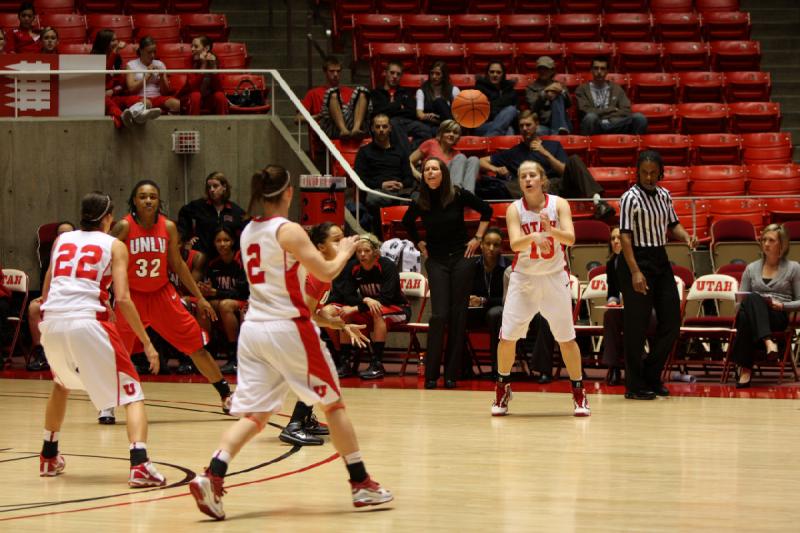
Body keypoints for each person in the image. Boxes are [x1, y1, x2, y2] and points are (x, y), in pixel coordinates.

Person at [189, 165, 393, 520]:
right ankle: (361, 485)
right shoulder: (288, 229)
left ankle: (213, 474)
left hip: (253, 331)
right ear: (287, 193)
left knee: (258, 413)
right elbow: (326, 271)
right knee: (334, 404)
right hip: (286, 327)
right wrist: (345, 249)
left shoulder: (248, 231)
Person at [37, 192, 166, 487]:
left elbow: (48, 284)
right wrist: (147, 342)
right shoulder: (115, 245)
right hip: (89, 321)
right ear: (108, 218)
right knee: (132, 394)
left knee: (61, 383)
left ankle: (48, 456)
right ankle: (140, 465)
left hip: (52, 320)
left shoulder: (61, 240)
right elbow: (122, 298)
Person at [107, 180, 232, 423]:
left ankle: (226, 394)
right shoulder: (123, 226)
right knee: (118, 352)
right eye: (142, 196)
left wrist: (199, 297)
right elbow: (104, 258)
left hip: (162, 295)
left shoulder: (169, 227)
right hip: (131, 298)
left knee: (196, 345)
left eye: (153, 196)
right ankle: (108, 404)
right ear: (134, 200)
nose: (148, 200)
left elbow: (178, 264)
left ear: (159, 200)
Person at [491, 160, 590, 417]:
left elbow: (570, 238)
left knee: (566, 338)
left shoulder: (559, 204)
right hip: (523, 279)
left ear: (542, 179)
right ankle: (502, 389)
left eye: (532, 175)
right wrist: (534, 237)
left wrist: (550, 231)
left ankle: (579, 392)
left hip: (554, 277)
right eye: (523, 176)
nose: (527, 179)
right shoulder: (514, 209)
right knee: (507, 337)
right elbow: (514, 244)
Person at [402, 157, 492, 389]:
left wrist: (478, 238)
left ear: (443, 173)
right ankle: (431, 375)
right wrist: (419, 244)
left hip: (462, 258)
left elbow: (487, 210)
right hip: (437, 261)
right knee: (439, 315)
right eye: (426, 169)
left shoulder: (458, 194)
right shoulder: (420, 200)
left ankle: (451, 375)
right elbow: (407, 222)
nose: (430, 172)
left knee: (458, 314)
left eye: (435, 168)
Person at [280, 222, 370, 446]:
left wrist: (341, 325)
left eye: (344, 238)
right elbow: (307, 314)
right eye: (336, 240)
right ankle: (294, 425)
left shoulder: (325, 271)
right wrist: (331, 321)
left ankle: (306, 420)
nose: (344, 244)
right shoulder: (319, 274)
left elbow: (313, 311)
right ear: (320, 247)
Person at [617, 150, 695, 400]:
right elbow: (625, 237)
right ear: (637, 173)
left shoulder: (664, 195)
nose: (649, 177)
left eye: (653, 173)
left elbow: (673, 224)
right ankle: (634, 384)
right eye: (644, 173)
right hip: (636, 259)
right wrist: (635, 272)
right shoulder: (630, 198)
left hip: (660, 258)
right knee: (636, 326)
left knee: (672, 322)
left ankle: (651, 374)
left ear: (660, 173)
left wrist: (686, 236)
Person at [479, 111, 613, 219]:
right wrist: (496, 169)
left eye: (528, 125)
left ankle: (598, 202)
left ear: (536, 125)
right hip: (532, 191)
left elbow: (564, 171)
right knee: (516, 182)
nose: (525, 129)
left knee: (574, 160)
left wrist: (546, 154)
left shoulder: (552, 146)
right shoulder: (513, 152)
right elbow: (481, 161)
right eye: (522, 126)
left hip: (558, 187)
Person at [327, 234, 410, 380]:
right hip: (370, 309)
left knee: (377, 311)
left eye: (366, 251)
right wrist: (365, 300)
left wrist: (357, 308)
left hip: (398, 308)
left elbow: (387, 298)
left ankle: (377, 364)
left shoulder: (387, 266)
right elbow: (348, 295)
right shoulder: (353, 267)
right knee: (344, 314)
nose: (362, 254)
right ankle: (345, 362)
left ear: (376, 252)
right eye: (359, 251)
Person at [732, 224, 800, 388]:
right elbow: (739, 302)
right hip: (753, 314)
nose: (766, 244)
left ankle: (745, 369)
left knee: (748, 312)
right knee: (752, 301)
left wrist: (782, 305)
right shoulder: (751, 268)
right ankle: (768, 342)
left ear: (782, 245)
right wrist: (746, 304)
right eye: (764, 240)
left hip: (777, 315)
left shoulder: (794, 268)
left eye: (771, 240)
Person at [197, 226, 249, 375]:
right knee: (204, 306)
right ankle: (207, 351)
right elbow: (211, 290)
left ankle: (234, 357)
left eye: (226, 240)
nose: (222, 244)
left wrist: (217, 292)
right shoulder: (213, 264)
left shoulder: (242, 260)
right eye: (218, 241)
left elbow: (243, 292)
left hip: (245, 302)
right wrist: (205, 290)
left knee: (225, 305)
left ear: (233, 241)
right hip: (223, 301)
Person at [354, 113, 416, 234]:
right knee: (373, 198)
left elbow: (409, 177)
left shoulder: (400, 151)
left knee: (420, 198)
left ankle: (415, 239)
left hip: (400, 191)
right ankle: (381, 235)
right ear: (372, 128)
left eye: (384, 126)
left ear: (390, 128)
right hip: (378, 191)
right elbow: (359, 178)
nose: (381, 130)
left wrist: (402, 184)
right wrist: (381, 184)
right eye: (378, 127)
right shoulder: (364, 151)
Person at [27, 221, 76, 372]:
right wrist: (44, 297)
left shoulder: (82, 255)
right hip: (57, 296)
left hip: (77, 298)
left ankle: (75, 356)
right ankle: (43, 354)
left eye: (69, 234)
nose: (65, 237)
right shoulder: (51, 259)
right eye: (61, 234)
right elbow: (46, 283)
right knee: (34, 307)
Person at [466, 227, 509, 377]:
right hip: (476, 311)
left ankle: (497, 370)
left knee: (495, 314)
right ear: (481, 245)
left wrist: (483, 300)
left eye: (496, 245)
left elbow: (509, 300)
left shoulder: (508, 268)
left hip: (499, 310)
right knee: (456, 315)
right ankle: (463, 368)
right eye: (488, 244)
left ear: (501, 247)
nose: (491, 248)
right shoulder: (471, 266)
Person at [177, 171, 247, 259]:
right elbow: (183, 213)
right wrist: (188, 237)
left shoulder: (235, 210)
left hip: (226, 259)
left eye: (215, 186)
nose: (212, 190)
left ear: (224, 187)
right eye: (209, 187)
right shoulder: (199, 205)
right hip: (203, 257)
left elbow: (245, 228)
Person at [298, 55, 369, 140]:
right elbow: (298, 118)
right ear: (325, 72)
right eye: (332, 71)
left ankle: (356, 129)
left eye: (338, 71)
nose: (335, 74)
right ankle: (343, 130)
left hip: (351, 125)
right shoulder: (313, 93)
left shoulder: (351, 92)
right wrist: (318, 116)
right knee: (333, 94)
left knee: (362, 92)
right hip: (329, 127)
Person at [576, 56, 648, 136]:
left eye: (603, 69)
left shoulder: (616, 88)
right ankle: (588, 147)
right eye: (596, 68)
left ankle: (635, 145)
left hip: (616, 124)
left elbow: (626, 110)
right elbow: (585, 111)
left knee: (639, 118)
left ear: (607, 71)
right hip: (596, 125)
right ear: (591, 70)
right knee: (590, 117)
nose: (599, 72)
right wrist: (612, 109)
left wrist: (606, 116)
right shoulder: (582, 89)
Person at [370, 60, 431, 150]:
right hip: (388, 123)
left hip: (406, 122)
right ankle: (407, 157)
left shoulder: (405, 92)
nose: (395, 76)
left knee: (426, 130)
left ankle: (410, 153)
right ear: (385, 73)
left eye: (398, 74)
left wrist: (390, 108)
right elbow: (377, 112)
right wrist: (398, 106)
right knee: (394, 123)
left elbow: (412, 112)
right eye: (392, 73)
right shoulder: (376, 92)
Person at [409, 119, 480, 193]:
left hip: (449, 185)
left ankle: (468, 196)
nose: (451, 135)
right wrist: (418, 175)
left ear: (458, 137)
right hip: (433, 183)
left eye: (455, 133)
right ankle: (454, 194)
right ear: (441, 133)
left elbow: (470, 177)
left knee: (474, 159)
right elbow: (409, 161)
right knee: (461, 158)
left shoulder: (457, 154)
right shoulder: (431, 144)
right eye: (448, 131)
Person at [121, 35, 178, 125]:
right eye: (149, 52)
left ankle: (168, 128)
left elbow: (165, 92)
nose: (152, 55)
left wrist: (162, 77)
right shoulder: (131, 65)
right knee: (146, 103)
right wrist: (147, 76)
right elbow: (131, 89)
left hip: (157, 97)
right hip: (140, 98)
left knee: (176, 104)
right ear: (141, 51)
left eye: (154, 52)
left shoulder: (160, 64)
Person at [601, 227, 625, 385]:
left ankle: (633, 369)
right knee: (609, 315)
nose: (615, 241)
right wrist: (612, 300)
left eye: (619, 238)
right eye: (612, 238)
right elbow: (613, 291)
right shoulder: (611, 263)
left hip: (644, 310)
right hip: (623, 310)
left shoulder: (638, 260)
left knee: (632, 318)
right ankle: (614, 367)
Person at [525, 56, 571, 135]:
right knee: (537, 130)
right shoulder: (530, 88)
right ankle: (557, 133)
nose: (542, 71)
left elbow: (569, 104)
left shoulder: (560, 85)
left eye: (546, 69)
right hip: (543, 124)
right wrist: (544, 94)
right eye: (540, 69)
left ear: (552, 71)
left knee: (557, 95)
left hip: (564, 124)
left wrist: (562, 91)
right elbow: (533, 108)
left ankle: (559, 130)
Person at [91, 29, 127, 129]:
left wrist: (113, 91)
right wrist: (115, 52)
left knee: (132, 100)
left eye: (116, 40)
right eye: (112, 40)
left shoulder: (117, 58)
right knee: (109, 104)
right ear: (104, 42)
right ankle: (122, 117)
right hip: (98, 96)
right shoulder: (94, 58)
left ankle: (121, 120)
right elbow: (103, 74)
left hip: (113, 95)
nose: (116, 43)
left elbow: (122, 83)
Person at [184, 35, 228, 116]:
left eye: (196, 46)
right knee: (195, 95)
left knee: (220, 96)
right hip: (192, 99)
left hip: (209, 99)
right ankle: (193, 125)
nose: (192, 49)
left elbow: (219, 88)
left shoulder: (217, 60)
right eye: (192, 46)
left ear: (206, 48)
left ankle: (224, 124)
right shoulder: (189, 60)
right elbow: (193, 87)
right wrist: (203, 65)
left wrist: (214, 66)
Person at [474, 61, 519, 137]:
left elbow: (516, 112)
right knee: (510, 109)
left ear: (503, 74)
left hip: (506, 124)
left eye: (498, 72)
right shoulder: (479, 89)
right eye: (492, 72)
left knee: (510, 128)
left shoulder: (510, 90)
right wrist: (502, 108)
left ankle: (488, 140)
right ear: (487, 73)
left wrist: (495, 106)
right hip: (484, 125)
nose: (495, 75)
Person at [416, 60, 460, 137]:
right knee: (431, 131)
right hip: (433, 126)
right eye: (432, 73)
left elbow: (459, 114)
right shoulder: (422, 91)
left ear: (444, 76)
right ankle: (452, 129)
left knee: (439, 101)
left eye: (438, 74)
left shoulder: (454, 90)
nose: (434, 76)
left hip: (450, 122)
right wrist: (429, 116)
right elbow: (420, 114)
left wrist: (437, 118)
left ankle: (451, 128)